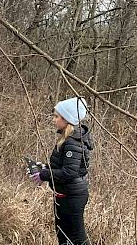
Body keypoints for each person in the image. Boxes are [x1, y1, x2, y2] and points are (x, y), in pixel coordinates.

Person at [31, 97, 94, 245]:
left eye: (56, 116)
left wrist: (44, 174)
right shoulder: (67, 139)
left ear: (67, 119)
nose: (53, 120)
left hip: (73, 197)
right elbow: (65, 168)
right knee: (63, 237)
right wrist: (45, 167)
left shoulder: (72, 142)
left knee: (78, 239)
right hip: (64, 195)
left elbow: (69, 172)